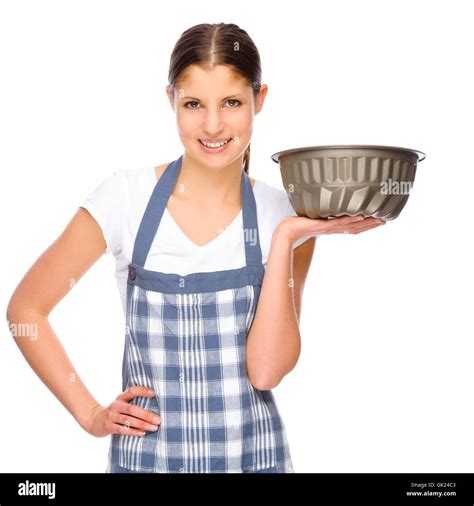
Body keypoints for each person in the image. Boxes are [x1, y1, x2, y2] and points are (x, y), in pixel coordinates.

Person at [6, 22, 385, 474]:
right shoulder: (124, 198)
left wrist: (287, 237)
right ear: (170, 100)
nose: (212, 125)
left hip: (255, 461)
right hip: (146, 462)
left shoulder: (284, 212)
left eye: (231, 103)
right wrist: (90, 414)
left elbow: (266, 372)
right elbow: (25, 310)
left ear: (258, 100)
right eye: (192, 104)